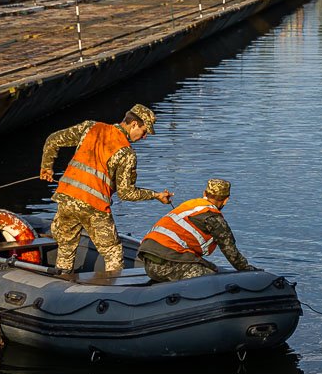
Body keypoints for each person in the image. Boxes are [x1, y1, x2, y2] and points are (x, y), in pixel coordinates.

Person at [39, 104, 172, 275]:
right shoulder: (126, 153)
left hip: (67, 198)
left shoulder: (90, 127)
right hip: (94, 206)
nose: (144, 137)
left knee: (66, 246)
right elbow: (126, 193)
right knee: (113, 252)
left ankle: (62, 280)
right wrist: (155, 195)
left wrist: (47, 167)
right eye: (144, 131)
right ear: (134, 125)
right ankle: (114, 290)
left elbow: (53, 139)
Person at [137, 178, 256, 282]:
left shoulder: (189, 205)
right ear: (226, 200)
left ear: (204, 193)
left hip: (148, 263)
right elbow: (232, 255)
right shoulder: (215, 220)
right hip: (167, 263)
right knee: (212, 279)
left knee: (209, 266)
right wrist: (251, 272)